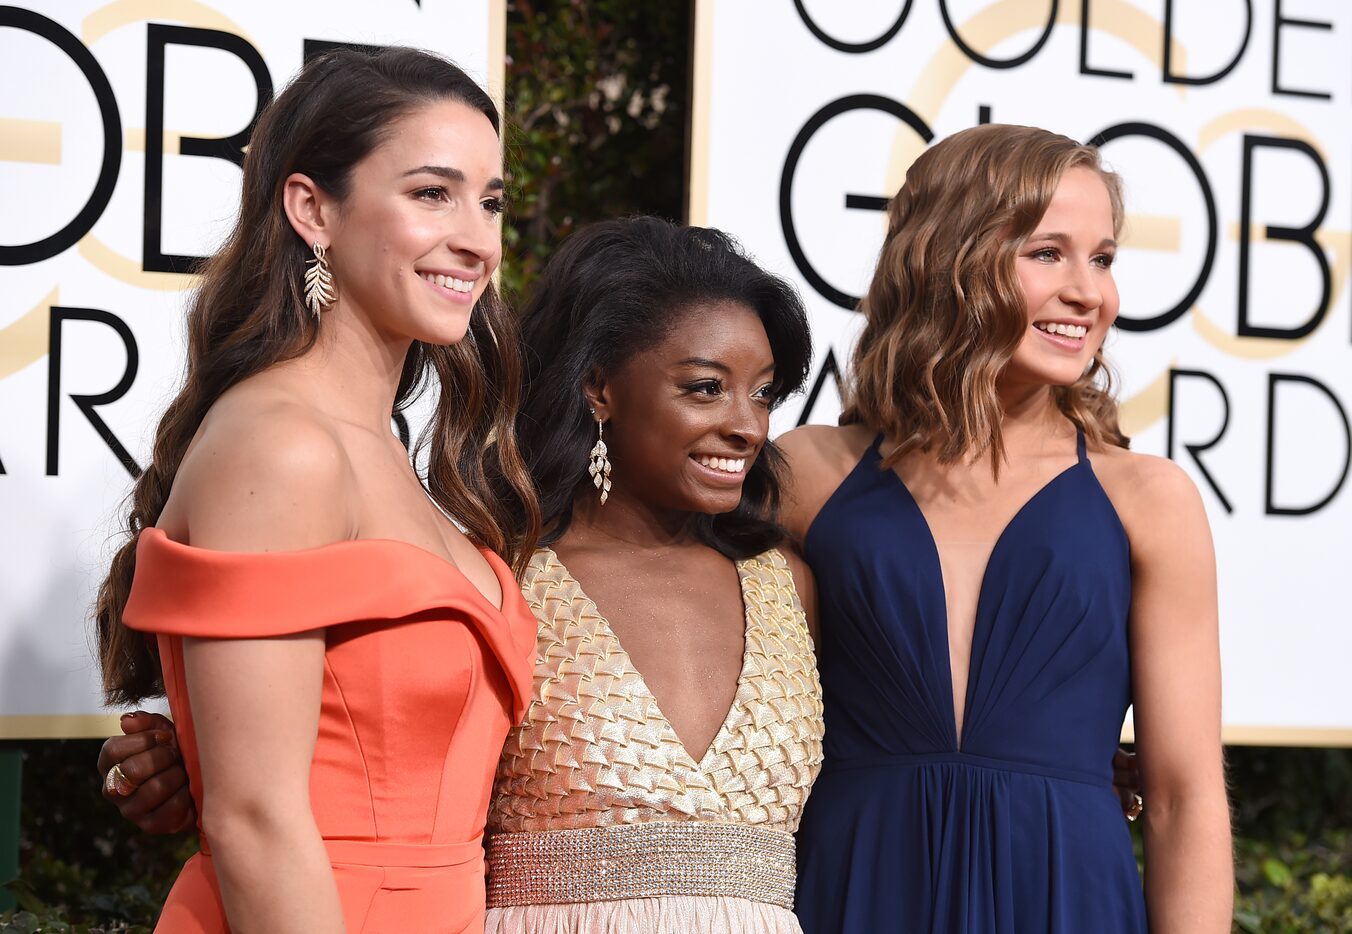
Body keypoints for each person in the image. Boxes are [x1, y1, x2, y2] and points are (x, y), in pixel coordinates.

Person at [93, 47, 540, 933]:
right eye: (430, 193)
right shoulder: (282, 447)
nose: (478, 238)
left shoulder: (387, 455)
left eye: (490, 201)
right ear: (312, 209)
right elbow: (255, 820)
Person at [781, 124, 1233, 932]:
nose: (1088, 292)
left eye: (1103, 258)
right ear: (947, 258)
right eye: (1047, 253)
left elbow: (1181, 799)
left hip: (1067, 896)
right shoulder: (808, 476)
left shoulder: (1149, 501)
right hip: (856, 888)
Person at [482, 217, 820, 932]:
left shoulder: (787, 583)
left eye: (762, 393)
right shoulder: (501, 577)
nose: (748, 427)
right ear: (599, 387)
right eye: (706, 389)